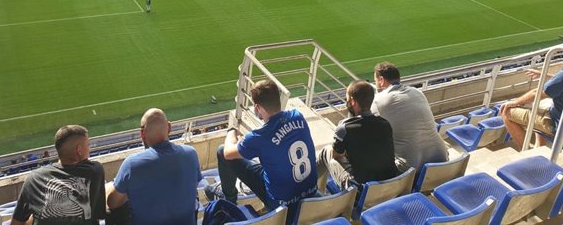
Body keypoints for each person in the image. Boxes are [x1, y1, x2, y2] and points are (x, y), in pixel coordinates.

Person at [206, 80, 318, 210]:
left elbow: (227, 153)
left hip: (281, 203)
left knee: (221, 151)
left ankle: (229, 201)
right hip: (310, 192)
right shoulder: (298, 116)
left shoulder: (259, 136)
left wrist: (231, 130)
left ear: (258, 107)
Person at [107, 108, 201, 225]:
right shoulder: (191, 153)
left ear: (142, 133)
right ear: (169, 127)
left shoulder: (132, 164)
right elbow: (192, 186)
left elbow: (112, 202)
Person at [501, 38, 563, 149]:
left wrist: (515, 102)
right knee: (540, 104)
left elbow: (536, 93)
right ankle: (540, 146)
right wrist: (546, 75)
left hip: (562, 127)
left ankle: (528, 153)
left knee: (505, 111)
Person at [10, 125, 106, 225]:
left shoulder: (34, 178)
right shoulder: (95, 170)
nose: (89, 149)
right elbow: (98, 216)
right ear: (79, 150)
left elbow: (16, 222)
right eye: (88, 145)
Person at [317, 81, 398, 192]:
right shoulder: (385, 124)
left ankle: (311, 188)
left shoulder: (345, 127)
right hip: (388, 185)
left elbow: (336, 156)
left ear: (353, 101)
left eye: (347, 100)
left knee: (327, 152)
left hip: (361, 191)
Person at [372, 62, 448, 172]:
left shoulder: (379, 100)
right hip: (442, 159)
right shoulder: (417, 92)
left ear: (381, 80)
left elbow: (366, 125)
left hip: (410, 169)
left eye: (375, 81)